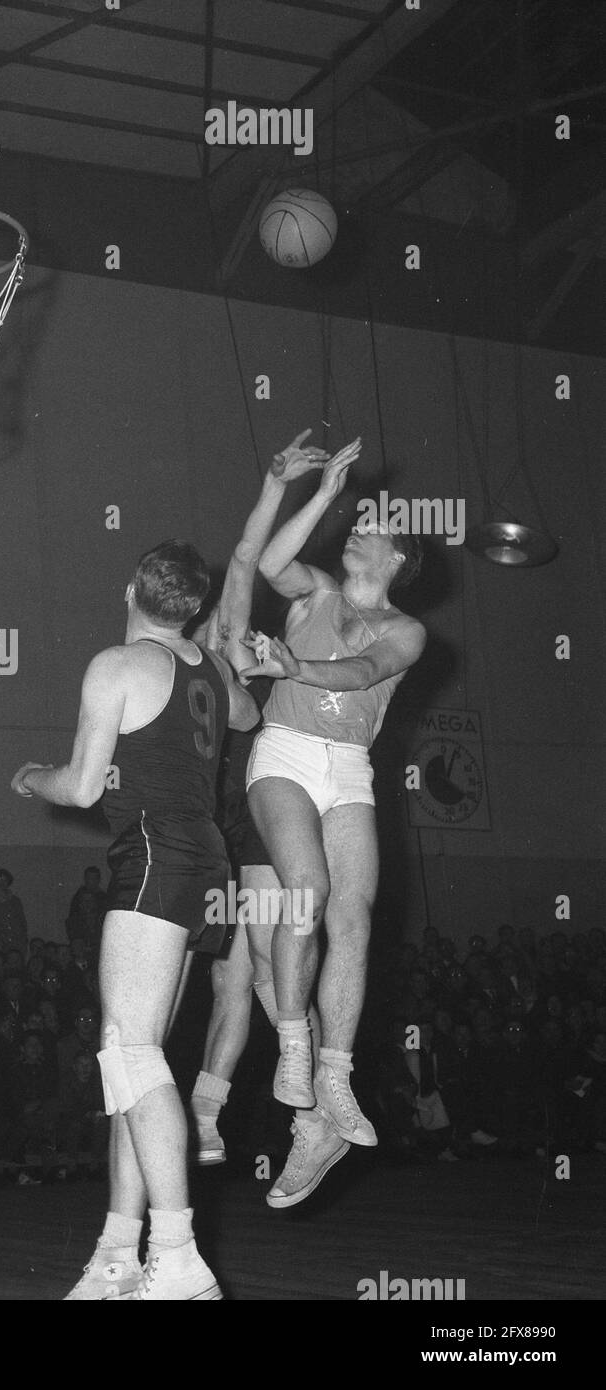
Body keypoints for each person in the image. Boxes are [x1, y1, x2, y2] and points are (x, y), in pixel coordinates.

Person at [12, 539, 258, 1300]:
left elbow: (83, 789)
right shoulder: (211, 668)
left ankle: (178, 1258)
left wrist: (30, 779)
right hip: (208, 866)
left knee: (129, 1052)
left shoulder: (114, 666)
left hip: (156, 856)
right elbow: (247, 709)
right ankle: (117, 1256)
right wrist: (229, 650)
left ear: (131, 592)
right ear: (191, 608)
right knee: (135, 1061)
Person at [244, 441, 425, 1206]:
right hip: (284, 751)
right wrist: (318, 492)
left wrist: (293, 668)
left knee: (353, 917)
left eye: (372, 527)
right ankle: (293, 1047)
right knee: (307, 894)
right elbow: (268, 564)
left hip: (347, 767)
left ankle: (333, 1083)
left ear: (397, 557)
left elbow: (360, 676)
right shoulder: (315, 589)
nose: (359, 528)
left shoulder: (407, 630)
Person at [188, 430, 333, 1165]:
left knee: (267, 970)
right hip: (211, 834)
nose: (233, 628)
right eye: (222, 628)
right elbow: (240, 564)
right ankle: (210, 1117)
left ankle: (309, 1105)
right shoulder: (205, 674)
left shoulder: (260, 684)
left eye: (236, 627)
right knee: (230, 983)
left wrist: (278, 484)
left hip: (257, 826)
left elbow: (246, 558)